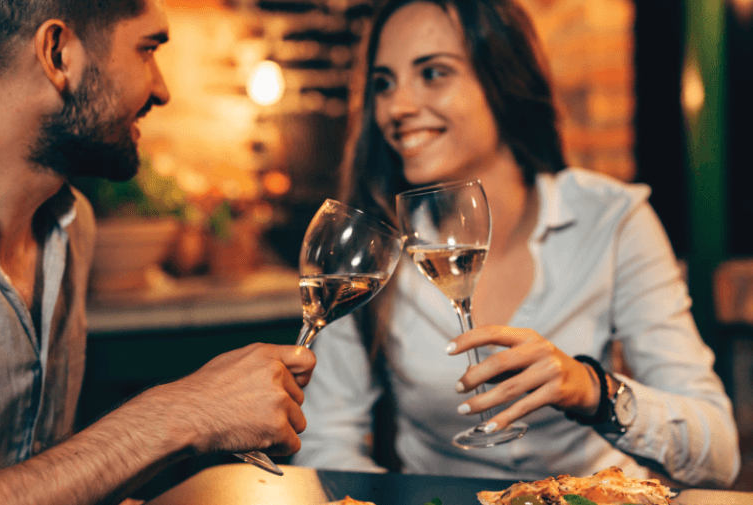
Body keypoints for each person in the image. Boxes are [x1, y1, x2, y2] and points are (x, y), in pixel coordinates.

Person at [291, 0, 740, 489]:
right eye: (383, 83)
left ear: (503, 80)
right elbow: (327, 442)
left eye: (434, 72)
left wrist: (595, 390)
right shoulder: (370, 248)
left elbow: (719, 454)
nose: (396, 108)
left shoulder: (610, 218)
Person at [0, 0, 317, 502]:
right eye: (147, 49)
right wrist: (178, 414)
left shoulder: (71, 224)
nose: (161, 88)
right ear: (58, 54)